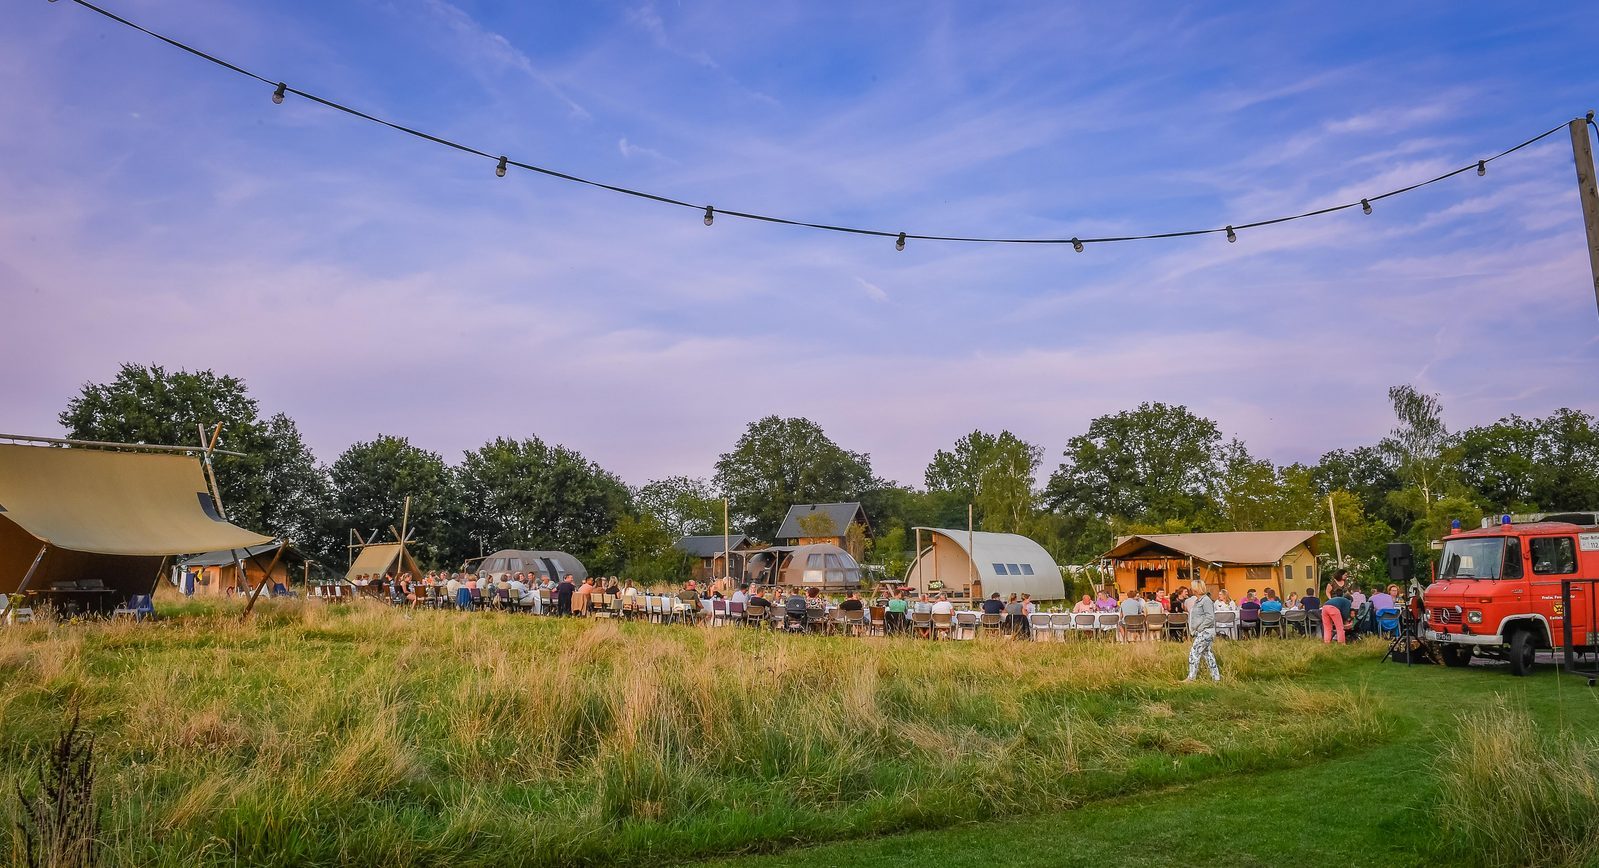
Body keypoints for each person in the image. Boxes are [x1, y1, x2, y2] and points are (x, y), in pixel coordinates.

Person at [1183, 579, 1221, 682]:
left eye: (1192, 587)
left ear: (1196, 588)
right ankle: (1216, 678)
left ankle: (1191, 678)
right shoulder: (1198, 601)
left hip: (1205, 632)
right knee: (1207, 654)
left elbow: (1210, 617)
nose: (1190, 589)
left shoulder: (1205, 601)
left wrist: (1200, 627)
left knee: (1194, 653)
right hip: (1202, 632)